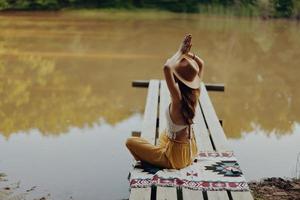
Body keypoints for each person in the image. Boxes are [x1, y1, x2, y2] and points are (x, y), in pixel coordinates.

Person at [126, 34, 204, 170]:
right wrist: (189, 55)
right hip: (190, 149)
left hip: (176, 158)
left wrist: (181, 51)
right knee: (164, 133)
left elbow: (166, 67)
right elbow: (201, 64)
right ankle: (160, 154)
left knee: (130, 142)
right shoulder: (195, 93)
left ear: (178, 78)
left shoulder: (178, 99)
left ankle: (160, 161)